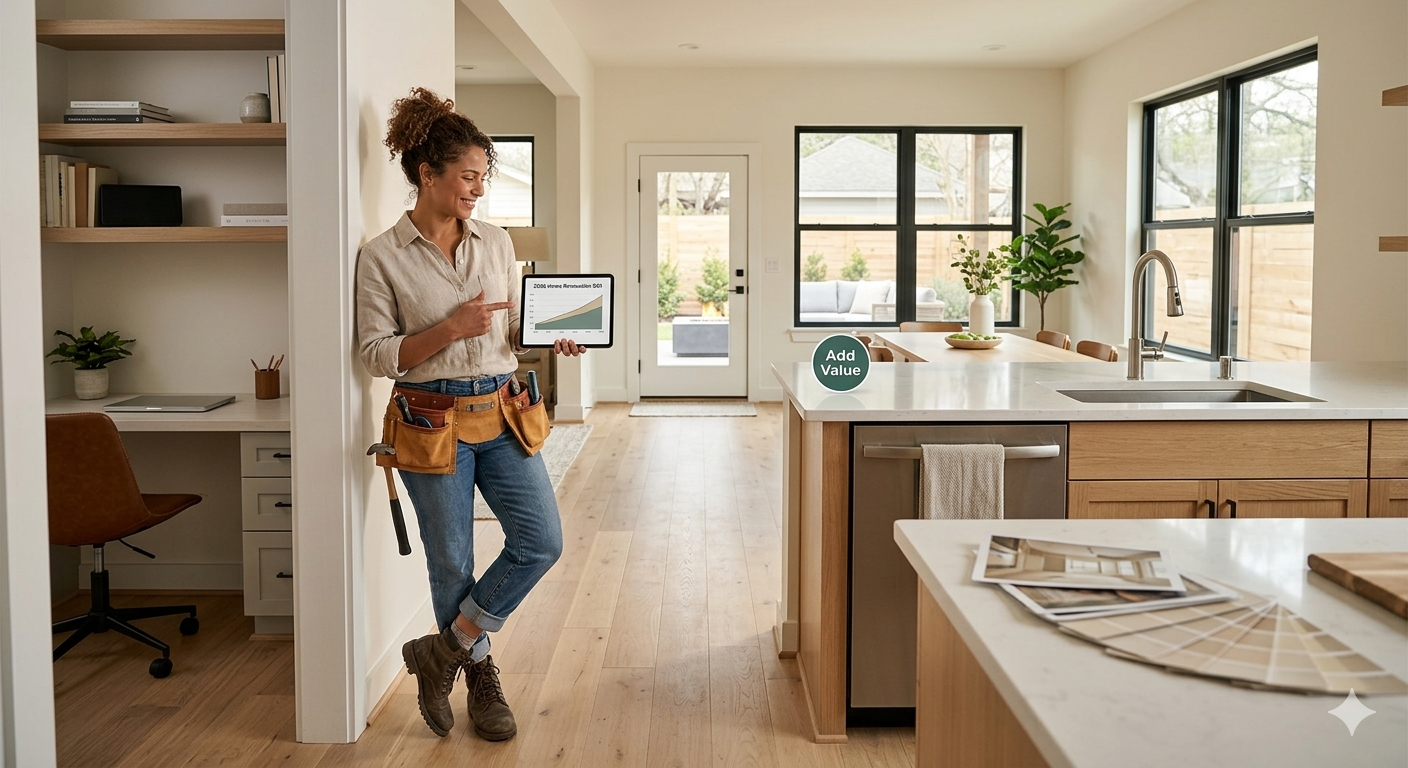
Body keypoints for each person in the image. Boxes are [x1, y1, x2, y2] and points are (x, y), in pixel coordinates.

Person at [355, 87, 582, 742]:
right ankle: (482, 675)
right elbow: (376, 354)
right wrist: (448, 327)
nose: (478, 190)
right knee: (451, 561)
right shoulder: (382, 257)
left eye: (484, 178)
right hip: (429, 420)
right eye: (469, 176)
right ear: (428, 174)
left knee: (541, 541)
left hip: (503, 411)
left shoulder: (498, 243)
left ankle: (445, 650)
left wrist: (550, 338)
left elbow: (507, 338)